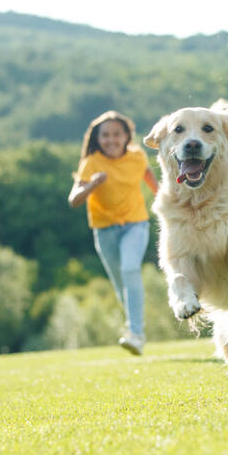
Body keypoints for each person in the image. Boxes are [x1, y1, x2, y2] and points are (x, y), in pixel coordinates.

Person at [68, 111, 158, 355]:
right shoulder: (92, 162)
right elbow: (74, 200)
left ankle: (136, 334)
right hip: (104, 230)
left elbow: (153, 183)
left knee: (131, 270)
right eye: (105, 135)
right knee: (121, 286)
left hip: (135, 224)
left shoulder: (137, 157)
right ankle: (134, 327)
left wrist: (167, 203)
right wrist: (93, 184)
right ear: (98, 138)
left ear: (126, 136)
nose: (111, 139)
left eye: (116, 134)